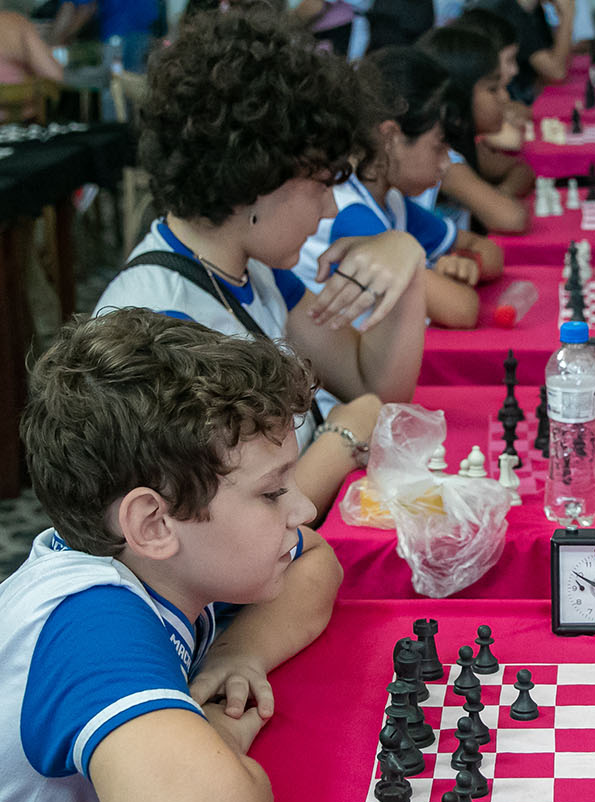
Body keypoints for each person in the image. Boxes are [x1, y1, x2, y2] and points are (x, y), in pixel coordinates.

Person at [0, 308, 343, 802]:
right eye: (272, 493)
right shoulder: (89, 621)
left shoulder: (173, 563)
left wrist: (239, 652)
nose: (304, 506)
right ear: (153, 524)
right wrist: (218, 736)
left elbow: (319, 561)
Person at [95, 8, 430, 521]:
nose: (330, 208)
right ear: (255, 176)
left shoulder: (252, 271)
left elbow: (373, 387)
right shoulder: (161, 323)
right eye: (321, 184)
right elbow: (235, 521)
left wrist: (406, 259)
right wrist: (342, 437)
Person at [293, 46, 504, 331]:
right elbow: (462, 309)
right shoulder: (347, 212)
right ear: (390, 136)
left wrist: (465, 265)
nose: (445, 164)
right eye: (439, 146)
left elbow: (488, 252)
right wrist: (445, 278)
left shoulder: (389, 200)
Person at [415, 22, 532, 234]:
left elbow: (522, 170)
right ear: (459, 96)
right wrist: (493, 200)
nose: (504, 97)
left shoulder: (467, 145)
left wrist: (498, 193)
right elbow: (513, 219)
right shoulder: (444, 161)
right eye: (493, 89)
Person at [474, 0, 576, 104]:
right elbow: (556, 72)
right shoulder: (506, 10)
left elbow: (559, 57)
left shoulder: (532, 9)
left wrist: (561, 16)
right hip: (510, 102)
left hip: (525, 95)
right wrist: (567, 15)